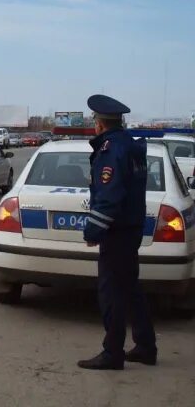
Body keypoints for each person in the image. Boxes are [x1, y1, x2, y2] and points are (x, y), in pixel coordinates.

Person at [77, 94, 156, 370]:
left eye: (94, 121)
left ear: (99, 124)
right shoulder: (129, 146)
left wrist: (93, 232)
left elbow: (109, 197)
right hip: (130, 228)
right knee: (131, 288)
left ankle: (112, 353)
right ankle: (146, 346)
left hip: (117, 231)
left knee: (111, 293)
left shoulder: (111, 150)